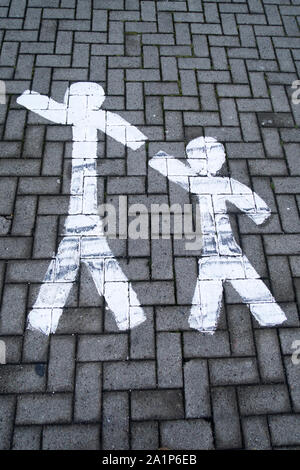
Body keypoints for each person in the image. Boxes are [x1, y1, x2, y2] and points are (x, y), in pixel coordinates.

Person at [17, 82, 147, 335]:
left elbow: (133, 137)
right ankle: (128, 312)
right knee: (91, 256)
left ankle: (45, 317)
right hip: (82, 200)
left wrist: (28, 96)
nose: (70, 101)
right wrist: (28, 97)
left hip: (83, 199)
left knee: (77, 256)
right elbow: (134, 138)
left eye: (74, 97)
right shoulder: (89, 116)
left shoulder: (95, 116)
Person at [149, 136, 286, 334]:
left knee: (211, 295)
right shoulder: (224, 184)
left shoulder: (205, 183)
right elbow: (260, 211)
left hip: (217, 251)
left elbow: (259, 210)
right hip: (224, 250)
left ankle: (204, 326)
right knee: (248, 292)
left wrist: (162, 161)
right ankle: (268, 317)